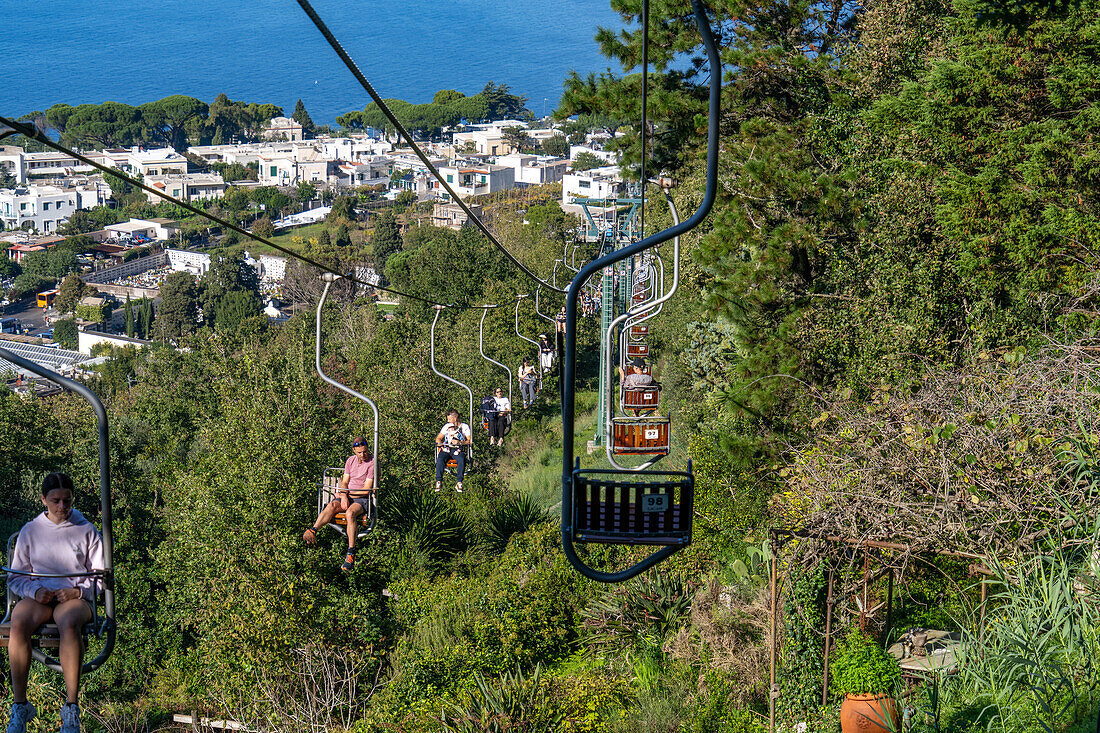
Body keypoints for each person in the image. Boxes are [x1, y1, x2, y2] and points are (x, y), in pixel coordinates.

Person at [6, 472, 104, 733]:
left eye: (67, 500)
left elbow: (100, 576)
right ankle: (20, 705)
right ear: (43, 500)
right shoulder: (31, 531)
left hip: (74, 598)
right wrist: (35, 590)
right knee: (18, 622)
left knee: (69, 623)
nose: (62, 507)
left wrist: (78, 591)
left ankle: (71, 708)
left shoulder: (86, 530)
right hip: (41, 597)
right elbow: (16, 577)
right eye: (56, 501)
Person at [302, 436, 375, 572]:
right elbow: (344, 482)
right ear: (354, 451)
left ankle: (351, 553)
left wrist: (346, 495)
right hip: (347, 495)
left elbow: (366, 488)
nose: (363, 455)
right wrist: (343, 495)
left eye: (365, 452)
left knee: (350, 513)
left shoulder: (372, 463)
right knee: (331, 506)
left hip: (361, 499)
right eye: (360, 452)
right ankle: (313, 530)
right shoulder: (350, 461)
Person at [435, 409, 472, 493]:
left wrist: (460, 442)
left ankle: (459, 482)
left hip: (458, 449)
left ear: (455, 418)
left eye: (449, 419)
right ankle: (439, 481)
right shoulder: (446, 426)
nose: (448, 421)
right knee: (440, 459)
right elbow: (438, 438)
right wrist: (440, 444)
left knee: (461, 459)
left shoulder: (464, 427)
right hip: (447, 448)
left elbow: (469, 440)